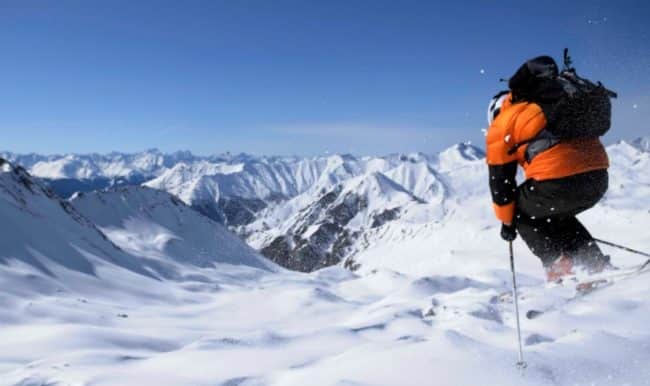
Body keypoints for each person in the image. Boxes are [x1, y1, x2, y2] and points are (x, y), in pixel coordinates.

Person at [485, 55, 611, 282]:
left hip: (559, 182)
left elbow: (500, 183)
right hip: (599, 178)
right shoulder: (544, 106)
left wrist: (507, 223)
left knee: (519, 212)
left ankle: (557, 266)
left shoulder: (503, 123)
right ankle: (595, 266)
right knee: (557, 215)